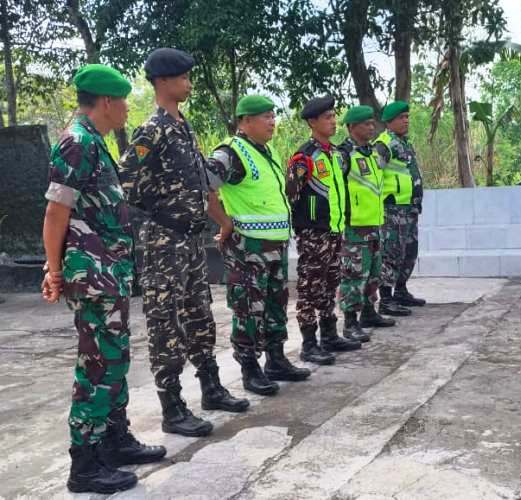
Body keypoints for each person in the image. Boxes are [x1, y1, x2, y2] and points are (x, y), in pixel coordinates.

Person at [42, 64, 165, 494]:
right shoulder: (77, 143)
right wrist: (54, 271)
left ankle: (114, 441)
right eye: (125, 101)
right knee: (97, 366)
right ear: (108, 102)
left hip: (108, 272)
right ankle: (85, 464)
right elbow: (55, 212)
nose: (129, 109)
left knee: (114, 360)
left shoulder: (93, 142)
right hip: (92, 275)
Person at [118, 48, 248, 438]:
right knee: (165, 324)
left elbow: (201, 184)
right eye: (183, 77)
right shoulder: (150, 130)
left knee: (199, 317)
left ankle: (210, 387)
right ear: (162, 82)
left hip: (191, 242)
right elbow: (125, 182)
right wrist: (158, 212)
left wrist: (218, 221)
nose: (189, 83)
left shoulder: (184, 127)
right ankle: (172, 408)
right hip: (164, 242)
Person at [206, 95, 311, 393]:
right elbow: (204, 185)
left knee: (276, 306)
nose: (272, 121)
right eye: (264, 116)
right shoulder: (232, 152)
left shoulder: (267, 151)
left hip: (275, 245)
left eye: (273, 115)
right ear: (245, 121)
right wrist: (224, 222)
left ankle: (276, 359)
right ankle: (249, 368)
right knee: (248, 309)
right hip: (248, 248)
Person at [286, 96, 362, 365]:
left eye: (333, 116)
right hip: (313, 234)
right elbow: (291, 195)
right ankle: (309, 344)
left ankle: (329, 335)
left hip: (334, 231)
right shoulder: (304, 157)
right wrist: (302, 228)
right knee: (309, 288)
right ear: (312, 122)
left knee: (330, 284)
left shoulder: (336, 155)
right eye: (327, 117)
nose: (333, 122)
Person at [337, 105, 395, 340]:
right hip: (354, 227)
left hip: (374, 224)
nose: (371, 127)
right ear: (351, 127)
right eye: (366, 124)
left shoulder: (371, 154)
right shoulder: (343, 155)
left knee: (373, 273)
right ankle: (350, 322)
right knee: (353, 276)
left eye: (373, 123)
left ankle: (369, 312)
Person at [375, 101, 426, 315]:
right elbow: (375, 174)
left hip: (409, 208)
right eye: (401, 117)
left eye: (407, 117)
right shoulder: (384, 143)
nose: (406, 120)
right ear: (390, 121)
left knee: (409, 252)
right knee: (391, 253)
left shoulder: (404, 142)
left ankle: (401, 290)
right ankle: (386, 298)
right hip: (392, 209)